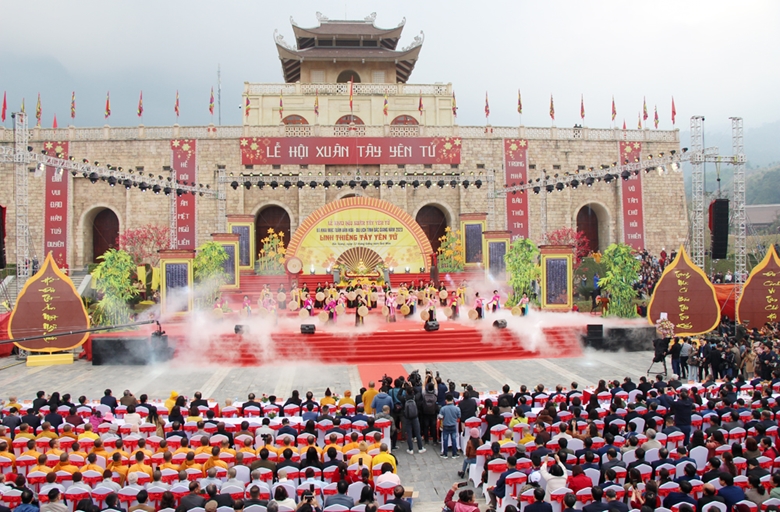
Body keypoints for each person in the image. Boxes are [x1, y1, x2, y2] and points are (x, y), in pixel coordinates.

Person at [438, 394, 461, 458]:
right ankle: (454, 453)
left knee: (445, 440)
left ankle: (445, 454)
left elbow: (440, 417)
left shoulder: (443, 409)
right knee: (454, 439)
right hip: (453, 425)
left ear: (446, 400)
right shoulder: (457, 408)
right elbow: (459, 416)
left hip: (446, 426)